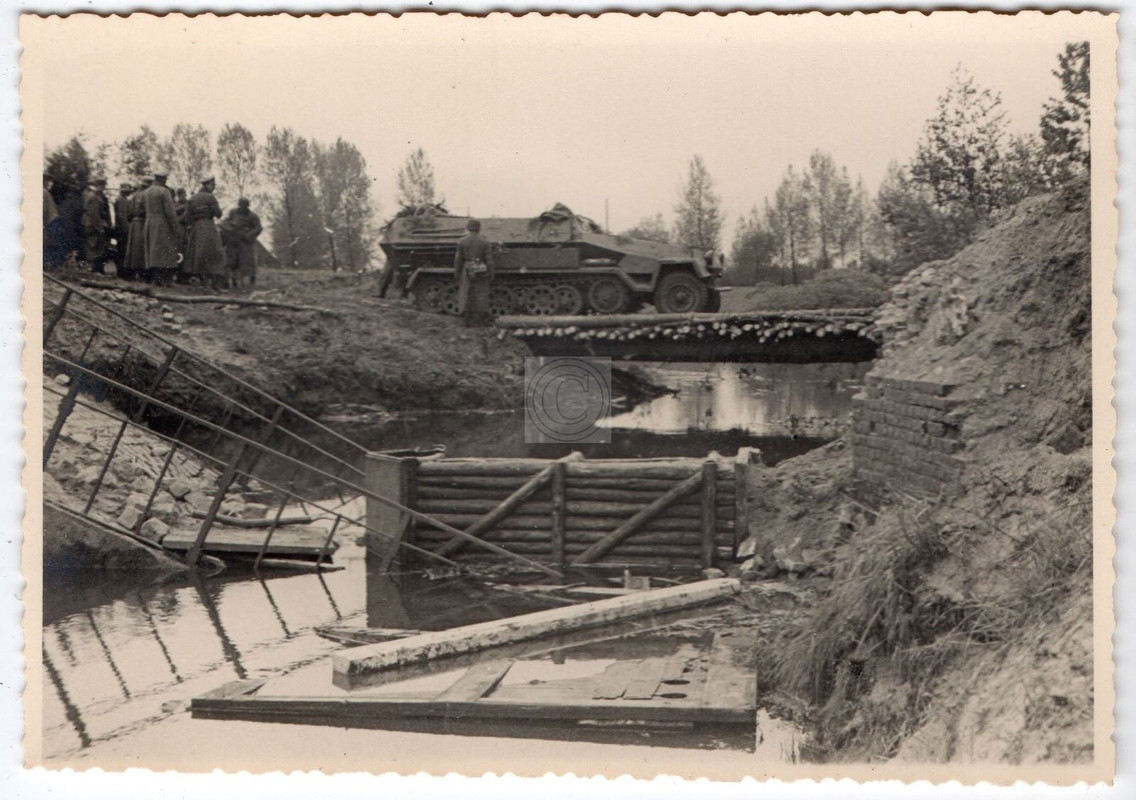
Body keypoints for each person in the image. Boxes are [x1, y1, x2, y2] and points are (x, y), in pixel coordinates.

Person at [183, 176, 228, 290]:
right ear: (208, 185)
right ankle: (213, 284)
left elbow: (187, 216)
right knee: (214, 254)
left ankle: (203, 282)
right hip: (208, 226)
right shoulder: (210, 197)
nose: (213, 188)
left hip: (196, 228)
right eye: (213, 185)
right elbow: (218, 213)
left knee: (198, 255)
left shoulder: (193, 198)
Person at [142, 167, 181, 286]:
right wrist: (175, 227)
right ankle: (165, 279)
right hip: (162, 223)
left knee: (153, 251)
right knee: (165, 251)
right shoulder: (164, 191)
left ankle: (155, 278)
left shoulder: (147, 192)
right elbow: (170, 212)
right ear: (164, 179)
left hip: (149, 222)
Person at [454, 219, 494, 326]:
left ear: (468, 228)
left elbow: (458, 260)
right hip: (480, 267)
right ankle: (480, 319)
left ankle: (466, 319)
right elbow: (489, 261)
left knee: (466, 292)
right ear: (479, 229)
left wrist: (457, 274)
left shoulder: (462, 241)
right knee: (480, 293)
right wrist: (491, 274)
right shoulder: (485, 242)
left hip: (467, 267)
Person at [221, 197, 262, 289]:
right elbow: (227, 221)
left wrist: (249, 234)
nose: (242, 207)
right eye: (241, 205)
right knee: (232, 261)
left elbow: (258, 228)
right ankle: (234, 281)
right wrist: (226, 225)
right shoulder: (233, 212)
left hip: (246, 241)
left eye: (244, 205)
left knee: (249, 261)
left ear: (247, 206)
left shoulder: (253, 216)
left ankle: (252, 281)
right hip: (233, 239)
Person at [123, 176, 152, 281]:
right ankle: (142, 272)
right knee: (141, 248)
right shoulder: (146, 195)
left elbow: (128, 213)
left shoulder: (133, 195)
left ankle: (131, 272)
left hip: (134, 223)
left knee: (132, 248)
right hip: (142, 223)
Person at [81, 176, 111, 273]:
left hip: (90, 223)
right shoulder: (94, 197)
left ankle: (95, 269)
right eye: (102, 185)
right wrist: (99, 227)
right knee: (95, 246)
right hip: (93, 224)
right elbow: (94, 214)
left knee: (94, 246)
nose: (103, 188)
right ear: (98, 186)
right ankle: (95, 269)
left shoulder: (90, 195)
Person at [112, 182, 133, 278]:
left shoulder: (121, 199)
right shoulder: (121, 200)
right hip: (122, 229)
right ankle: (122, 272)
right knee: (122, 251)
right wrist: (127, 229)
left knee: (121, 250)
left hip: (120, 228)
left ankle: (122, 271)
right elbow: (122, 216)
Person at [43, 172, 63, 270]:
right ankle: (46, 264)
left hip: (48, 220)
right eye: (48, 181)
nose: (50, 183)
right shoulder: (44, 192)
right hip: (49, 221)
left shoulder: (44, 192)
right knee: (47, 242)